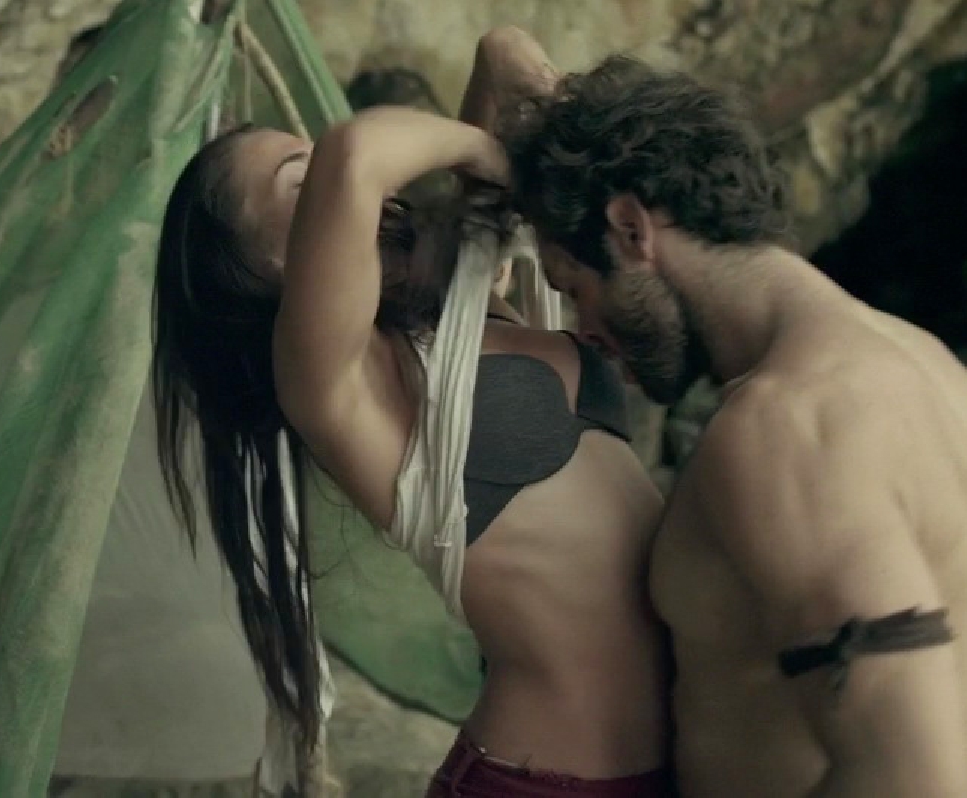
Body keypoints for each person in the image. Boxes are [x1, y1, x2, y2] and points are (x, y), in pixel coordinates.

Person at [501, 56, 967, 797]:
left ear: (631, 229)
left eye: (575, 288)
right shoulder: (932, 369)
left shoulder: (785, 427)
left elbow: (910, 778)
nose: (584, 328)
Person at [151, 30, 676, 798]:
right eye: (303, 183)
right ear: (267, 267)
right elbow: (357, 154)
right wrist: (491, 154)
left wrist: (505, 60)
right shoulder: (336, 384)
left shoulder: (465, 312)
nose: (335, 182)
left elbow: (498, 57)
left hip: (678, 764)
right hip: (537, 783)